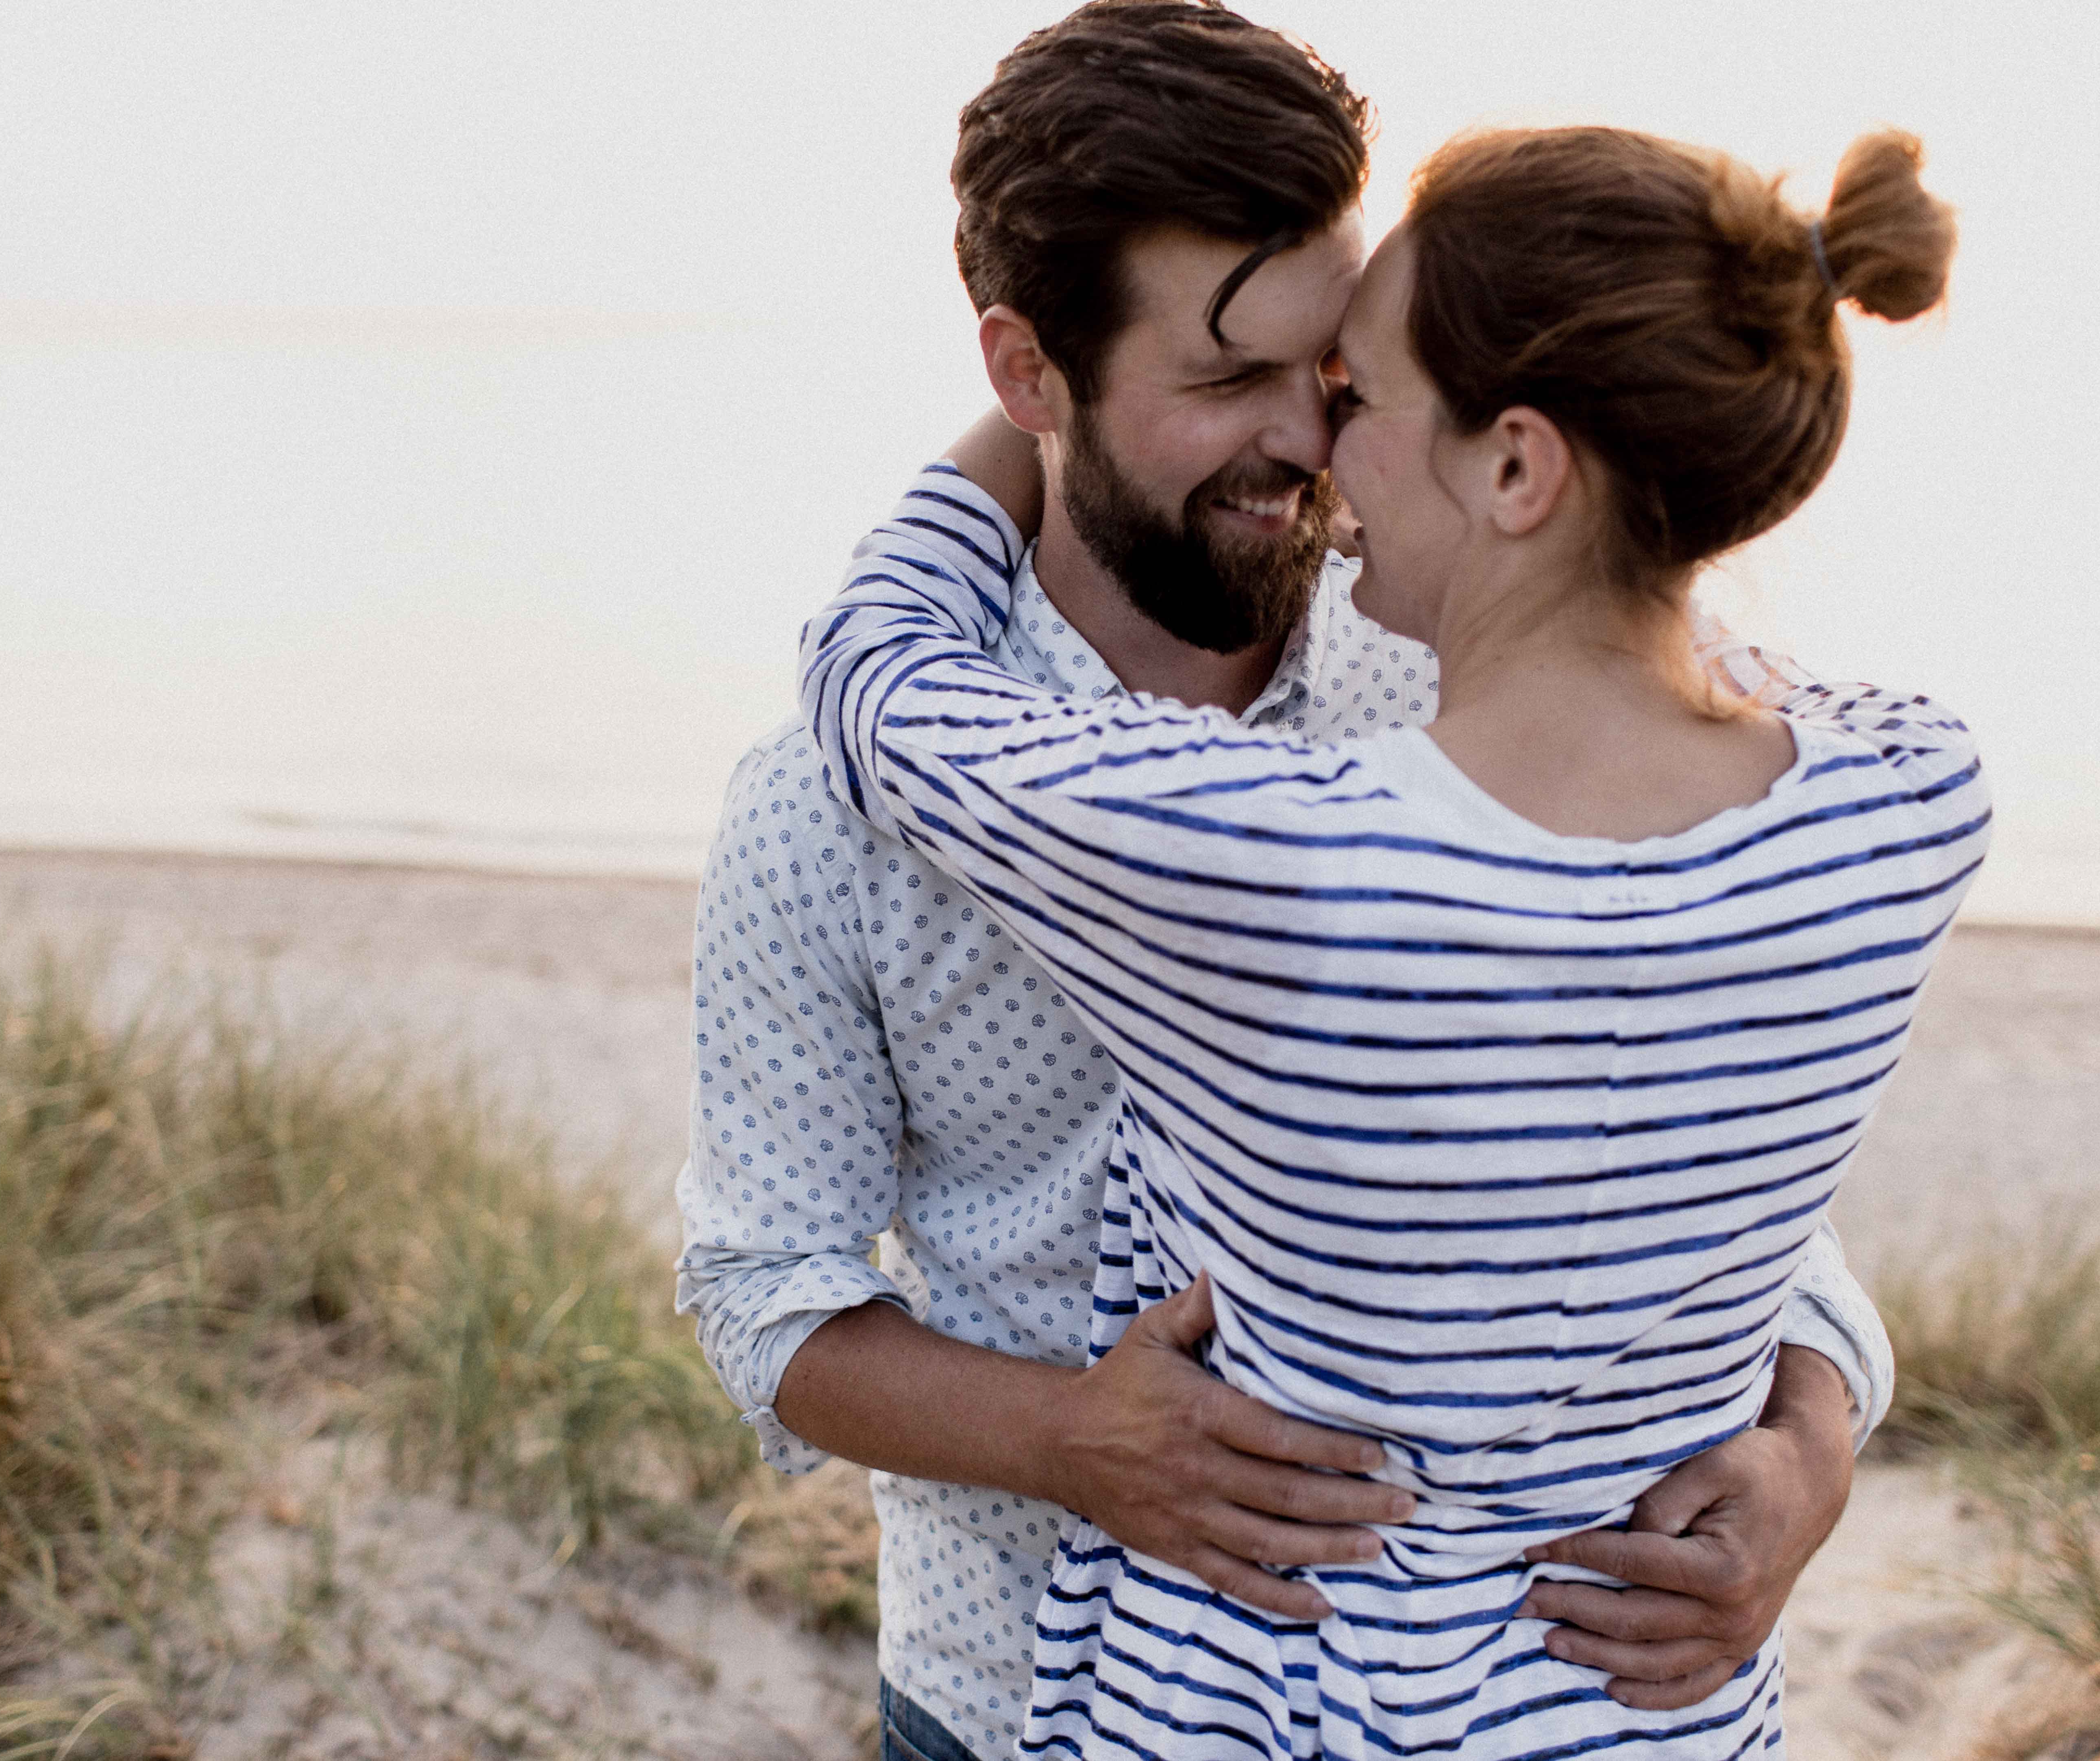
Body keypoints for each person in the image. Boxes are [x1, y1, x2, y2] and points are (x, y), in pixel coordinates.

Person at [677, 7, 1893, 1757]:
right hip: (1015, 1698)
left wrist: (1809, 1449)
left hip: (1517, 1702)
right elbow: (762, 1292)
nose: (1308, 445)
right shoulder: (829, 803)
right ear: (1029, 379)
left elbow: (1696, 1143)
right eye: (1225, 382)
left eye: (1334, 376)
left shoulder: (1481, 674)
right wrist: (1070, 1441)